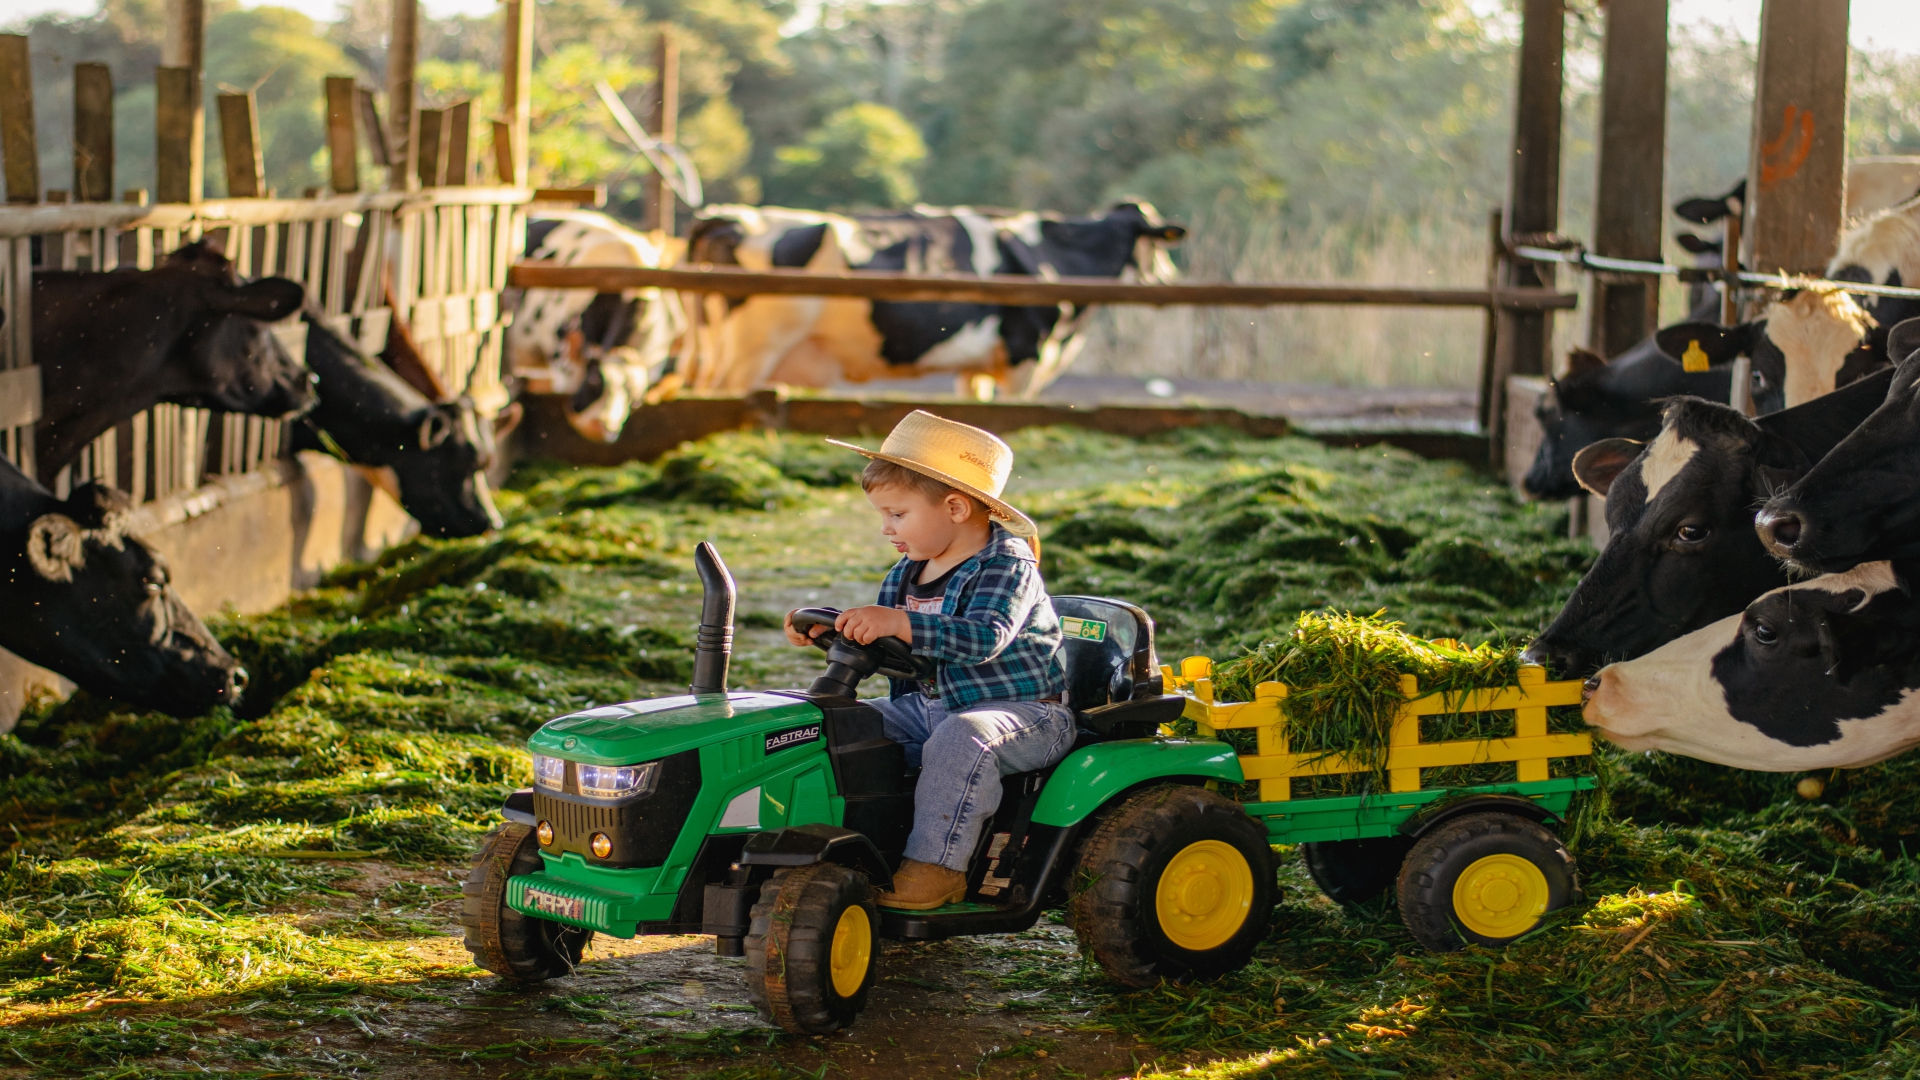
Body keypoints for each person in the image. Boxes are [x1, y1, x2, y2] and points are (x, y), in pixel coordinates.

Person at [784, 410, 1072, 910]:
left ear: (957, 507)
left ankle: (937, 868)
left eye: (897, 514)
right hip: (929, 706)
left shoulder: (1008, 564)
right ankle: (832, 844)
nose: (885, 528)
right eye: (882, 515)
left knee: (962, 741)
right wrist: (834, 631)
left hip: (1025, 714)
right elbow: (889, 644)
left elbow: (986, 637)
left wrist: (897, 623)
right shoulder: (908, 570)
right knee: (836, 724)